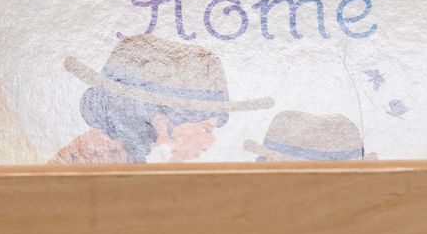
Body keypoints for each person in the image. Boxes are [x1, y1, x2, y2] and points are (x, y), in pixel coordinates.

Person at [53, 34, 272, 164]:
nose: (211, 141)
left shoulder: (131, 153)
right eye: (205, 128)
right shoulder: (99, 155)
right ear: (159, 116)